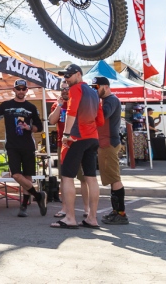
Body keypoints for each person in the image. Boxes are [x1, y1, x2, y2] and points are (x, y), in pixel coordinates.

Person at [0, 79, 47, 217]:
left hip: (28, 145)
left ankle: (24, 206)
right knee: (15, 174)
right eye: (18, 89)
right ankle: (38, 196)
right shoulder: (6, 105)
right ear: (14, 90)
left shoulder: (31, 107)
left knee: (27, 176)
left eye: (23, 89)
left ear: (27, 90)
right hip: (12, 145)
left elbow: (39, 127)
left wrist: (29, 127)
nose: (21, 91)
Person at [50, 64, 104, 229]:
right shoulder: (95, 93)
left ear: (79, 75)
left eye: (69, 75)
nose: (66, 78)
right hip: (92, 138)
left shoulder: (75, 89)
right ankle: (92, 218)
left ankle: (70, 218)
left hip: (77, 138)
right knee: (91, 177)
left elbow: (72, 112)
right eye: (64, 76)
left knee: (67, 177)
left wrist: (66, 135)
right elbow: (100, 120)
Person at [48, 81, 89, 219]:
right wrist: (59, 105)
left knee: (84, 178)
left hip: (79, 142)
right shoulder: (57, 104)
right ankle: (64, 208)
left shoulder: (78, 102)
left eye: (67, 89)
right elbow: (52, 121)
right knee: (64, 178)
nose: (65, 91)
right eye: (62, 89)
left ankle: (86, 209)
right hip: (63, 144)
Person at [93, 77, 129, 225]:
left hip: (109, 143)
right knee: (112, 178)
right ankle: (116, 211)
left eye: (96, 87)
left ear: (106, 87)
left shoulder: (111, 100)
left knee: (114, 178)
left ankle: (120, 213)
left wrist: (94, 102)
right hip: (105, 144)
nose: (95, 90)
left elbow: (103, 116)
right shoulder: (105, 100)